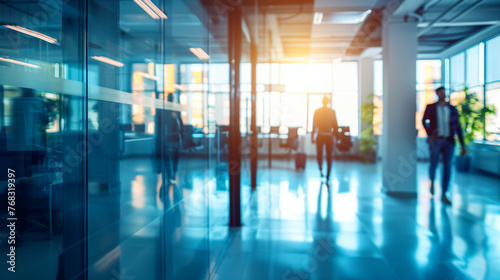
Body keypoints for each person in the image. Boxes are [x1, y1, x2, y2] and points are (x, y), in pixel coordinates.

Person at [422, 86, 467, 205]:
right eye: (440, 93)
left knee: (448, 167)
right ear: (437, 94)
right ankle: (432, 181)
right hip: (436, 140)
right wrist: (429, 135)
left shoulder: (452, 109)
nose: (443, 94)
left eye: (444, 92)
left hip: (449, 141)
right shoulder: (431, 107)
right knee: (433, 164)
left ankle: (444, 194)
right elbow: (423, 121)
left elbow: (457, 126)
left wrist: (463, 145)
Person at [311, 96, 339, 182]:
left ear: (322, 102)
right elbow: (335, 126)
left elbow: (314, 125)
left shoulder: (317, 111)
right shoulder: (332, 112)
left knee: (319, 154)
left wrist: (312, 136)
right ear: (328, 102)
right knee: (329, 156)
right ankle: (328, 175)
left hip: (320, 135)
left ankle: (321, 170)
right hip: (328, 136)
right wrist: (337, 137)